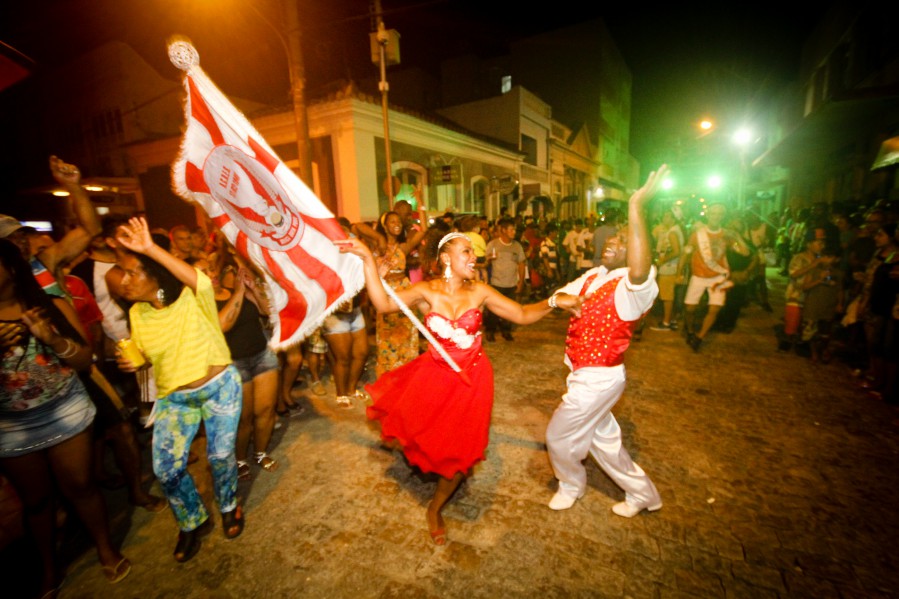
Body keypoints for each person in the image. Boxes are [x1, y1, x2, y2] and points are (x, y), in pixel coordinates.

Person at [334, 230, 581, 545]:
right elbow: (382, 304)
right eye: (466, 251)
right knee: (430, 436)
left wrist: (553, 301)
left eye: (473, 252)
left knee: (462, 452)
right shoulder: (425, 291)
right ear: (445, 258)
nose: (474, 257)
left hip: (473, 380)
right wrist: (368, 260)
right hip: (434, 376)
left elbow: (520, 314)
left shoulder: (480, 292)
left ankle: (435, 507)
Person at [0, 239, 131, 596]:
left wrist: (52, 339)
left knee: (81, 486)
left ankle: (105, 548)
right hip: (11, 424)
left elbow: (84, 360)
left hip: (64, 409)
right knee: (36, 501)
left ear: (11, 268)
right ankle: (49, 568)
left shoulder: (50, 305)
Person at [113, 217, 244, 563]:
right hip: (175, 397)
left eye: (132, 273)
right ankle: (192, 520)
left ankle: (228, 505)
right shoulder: (138, 313)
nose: (124, 281)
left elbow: (198, 278)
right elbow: (147, 354)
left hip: (219, 387)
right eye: (123, 273)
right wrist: (135, 361)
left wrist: (150, 247)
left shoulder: (192, 295)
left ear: (154, 275)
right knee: (167, 469)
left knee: (220, 456)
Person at [542, 165, 668, 517]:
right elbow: (556, 297)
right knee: (605, 443)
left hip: (599, 379)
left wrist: (636, 206)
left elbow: (640, 270)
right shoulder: (595, 275)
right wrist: (558, 300)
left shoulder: (635, 286)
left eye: (624, 241)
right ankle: (644, 495)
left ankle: (571, 485)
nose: (613, 241)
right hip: (581, 374)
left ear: (638, 251)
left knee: (557, 436)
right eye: (613, 238)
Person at [193, 254, 280, 479]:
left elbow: (267, 311)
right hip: (233, 364)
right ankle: (240, 458)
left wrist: (253, 289)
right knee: (244, 418)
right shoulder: (196, 305)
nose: (212, 274)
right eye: (203, 272)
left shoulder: (235, 291)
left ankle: (260, 453)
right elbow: (223, 324)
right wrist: (240, 291)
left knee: (266, 410)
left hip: (262, 356)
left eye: (211, 269)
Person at [353, 210, 429, 376]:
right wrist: (380, 238)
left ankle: (406, 372)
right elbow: (357, 227)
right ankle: (390, 375)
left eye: (399, 222)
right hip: (384, 293)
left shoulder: (403, 247)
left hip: (404, 291)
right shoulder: (376, 246)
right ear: (385, 226)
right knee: (388, 335)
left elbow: (423, 230)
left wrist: (420, 203)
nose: (397, 225)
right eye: (392, 222)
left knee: (407, 332)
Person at [484, 217, 526, 341]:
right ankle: (490, 331)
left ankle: (506, 330)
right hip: (496, 283)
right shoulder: (493, 244)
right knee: (493, 309)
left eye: (514, 230)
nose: (514, 232)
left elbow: (521, 264)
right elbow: (485, 262)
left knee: (510, 310)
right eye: (511, 230)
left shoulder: (517, 246)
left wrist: (521, 282)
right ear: (503, 230)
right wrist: (489, 259)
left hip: (511, 284)